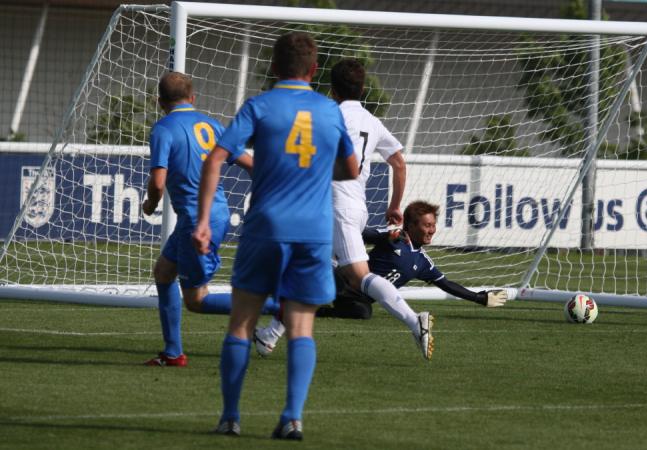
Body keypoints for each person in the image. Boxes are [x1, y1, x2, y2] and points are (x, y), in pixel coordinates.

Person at [192, 32, 358, 440]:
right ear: (314, 71)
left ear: (272, 67)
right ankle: (292, 418)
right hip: (314, 233)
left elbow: (217, 156)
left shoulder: (260, 105)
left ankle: (230, 417)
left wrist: (202, 221)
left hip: (265, 228)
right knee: (301, 327)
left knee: (242, 323)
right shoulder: (330, 110)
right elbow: (351, 170)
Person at [254, 58, 434, 361]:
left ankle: (414, 320)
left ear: (332, 88)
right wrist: (394, 206)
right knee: (307, 267)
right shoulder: (372, 122)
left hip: (333, 206)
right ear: (362, 89)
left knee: (358, 276)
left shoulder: (328, 114)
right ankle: (270, 334)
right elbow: (399, 163)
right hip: (352, 205)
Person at [254, 201, 507, 354]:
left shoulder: (423, 262)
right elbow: (360, 233)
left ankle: (304, 315)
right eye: (426, 225)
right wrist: (384, 235)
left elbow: (447, 284)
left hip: (356, 298)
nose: (431, 230)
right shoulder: (394, 236)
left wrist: (479, 298)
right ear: (410, 225)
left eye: (432, 225)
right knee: (311, 285)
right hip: (342, 278)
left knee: (362, 313)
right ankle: (274, 305)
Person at [141, 72, 254, 367]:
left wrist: (150, 205)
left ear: (159, 102)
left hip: (197, 221)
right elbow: (250, 164)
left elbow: (157, 182)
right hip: (209, 214)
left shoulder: (163, 129)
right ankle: (172, 352)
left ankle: (278, 306)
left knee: (196, 300)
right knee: (164, 273)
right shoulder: (212, 125)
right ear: (193, 98)